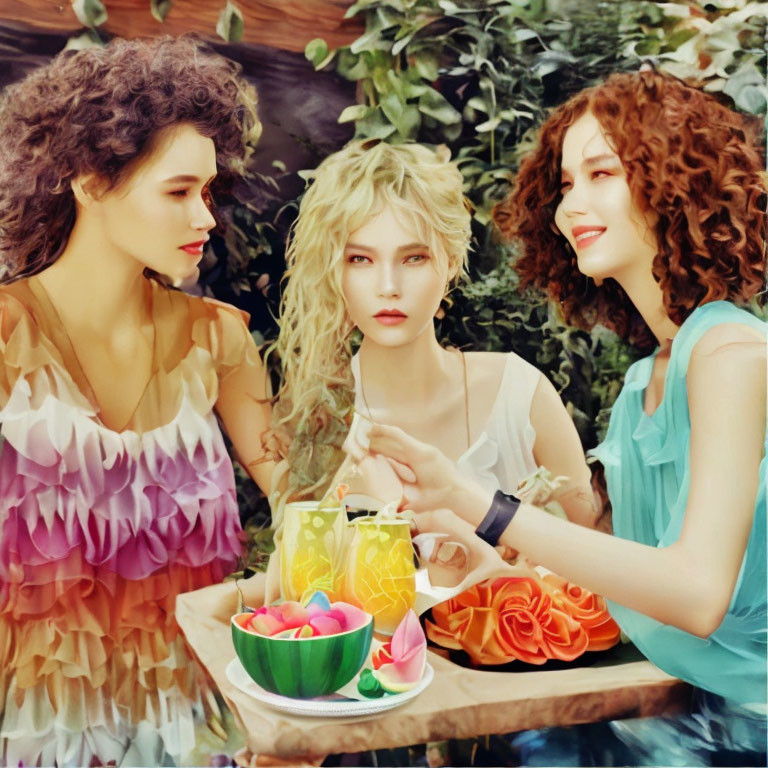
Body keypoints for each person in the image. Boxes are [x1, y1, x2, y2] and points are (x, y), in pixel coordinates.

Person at [363, 70, 767, 765]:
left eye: (599, 173)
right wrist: (445, 522)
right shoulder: (649, 376)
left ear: (675, 179)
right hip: (680, 704)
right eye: (566, 184)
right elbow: (608, 565)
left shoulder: (731, 353)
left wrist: (482, 505)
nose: (566, 207)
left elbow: (698, 594)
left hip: (742, 724)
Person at [0, 36, 274, 767]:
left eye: (209, 192)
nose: (206, 218)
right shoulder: (5, 337)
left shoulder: (219, 342)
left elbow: (307, 498)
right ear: (90, 182)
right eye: (179, 191)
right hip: (36, 737)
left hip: (201, 736)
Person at [271, 139, 596, 528]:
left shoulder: (522, 395)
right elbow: (301, 577)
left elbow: (596, 560)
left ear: (450, 262)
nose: (388, 285)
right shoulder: (314, 416)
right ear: (333, 271)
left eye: (414, 258)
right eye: (360, 259)